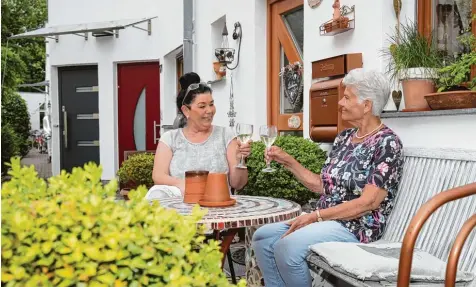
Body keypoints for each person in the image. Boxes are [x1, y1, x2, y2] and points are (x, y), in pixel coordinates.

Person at [251, 68, 404, 287]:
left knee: (289, 248)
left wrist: (315, 217)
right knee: (263, 237)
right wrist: (287, 161)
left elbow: (369, 202)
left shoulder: (387, 143)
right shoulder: (345, 138)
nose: (340, 102)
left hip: (356, 226)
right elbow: (324, 185)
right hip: (326, 219)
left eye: (347, 97)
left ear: (367, 105)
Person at [145, 73, 250, 200]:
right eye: (202, 106)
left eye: (211, 104)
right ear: (186, 111)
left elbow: (238, 184)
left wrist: (240, 161)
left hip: (218, 211)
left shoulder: (226, 136)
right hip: (180, 213)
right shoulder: (170, 139)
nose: (209, 110)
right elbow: (158, 176)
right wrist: (189, 186)